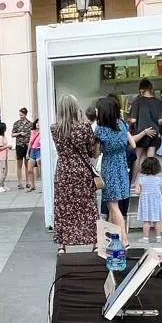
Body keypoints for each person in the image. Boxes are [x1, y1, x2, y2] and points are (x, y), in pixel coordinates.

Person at [93, 97, 150, 245]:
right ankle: (114, 239)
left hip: (109, 166)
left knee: (113, 207)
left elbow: (96, 153)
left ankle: (124, 240)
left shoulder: (101, 129)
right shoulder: (122, 124)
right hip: (122, 166)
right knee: (115, 208)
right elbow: (131, 144)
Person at [50, 94, 98, 253]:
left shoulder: (54, 128)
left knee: (63, 207)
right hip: (81, 172)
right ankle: (94, 241)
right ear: (75, 109)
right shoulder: (84, 128)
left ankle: (62, 245)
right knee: (88, 206)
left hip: (63, 171)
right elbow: (92, 152)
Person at [128, 80, 162, 181]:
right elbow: (160, 121)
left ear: (141, 90)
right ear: (151, 89)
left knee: (137, 158)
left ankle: (133, 183)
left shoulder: (137, 101)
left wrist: (129, 121)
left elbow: (133, 120)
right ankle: (149, 181)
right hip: (154, 132)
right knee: (150, 158)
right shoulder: (159, 102)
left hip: (141, 132)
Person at [136, 156, 162, 243]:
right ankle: (158, 237)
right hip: (157, 203)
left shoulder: (141, 179)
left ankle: (145, 238)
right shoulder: (159, 179)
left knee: (147, 221)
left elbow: (137, 191)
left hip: (146, 203)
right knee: (157, 221)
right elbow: (161, 190)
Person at [11, 107, 34, 189]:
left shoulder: (30, 124)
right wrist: (19, 133)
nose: (20, 116)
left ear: (25, 114)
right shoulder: (16, 123)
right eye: (19, 114)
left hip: (28, 146)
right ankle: (19, 183)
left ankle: (28, 182)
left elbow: (33, 134)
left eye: (22, 114)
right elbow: (12, 134)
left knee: (27, 164)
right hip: (19, 145)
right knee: (19, 164)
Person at [0, 122, 11, 192]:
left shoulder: (3, 137)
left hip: (5, 156)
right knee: (1, 171)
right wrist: (7, 146)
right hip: (1, 157)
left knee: (5, 171)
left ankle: (2, 185)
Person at [26, 120, 42, 192]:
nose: (38, 124)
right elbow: (30, 142)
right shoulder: (33, 132)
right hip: (32, 150)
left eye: (39, 123)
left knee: (40, 169)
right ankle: (32, 186)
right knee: (29, 170)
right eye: (37, 123)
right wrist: (27, 153)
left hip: (39, 150)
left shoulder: (43, 132)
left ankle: (43, 186)